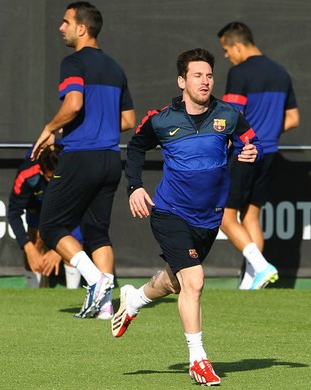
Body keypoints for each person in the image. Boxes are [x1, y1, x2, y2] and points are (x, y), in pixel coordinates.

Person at [112, 48, 262, 386]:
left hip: (208, 219)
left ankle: (134, 299)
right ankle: (198, 360)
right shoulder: (161, 119)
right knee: (194, 281)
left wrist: (251, 151)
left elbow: (251, 142)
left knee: (176, 280)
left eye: (209, 75)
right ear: (182, 80)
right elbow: (135, 148)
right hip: (169, 212)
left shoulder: (230, 115)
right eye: (197, 75)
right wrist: (134, 187)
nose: (205, 81)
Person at [31, 1, 136, 318]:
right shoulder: (115, 68)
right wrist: (100, 126)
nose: (61, 28)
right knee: (97, 233)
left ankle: (96, 281)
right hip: (109, 159)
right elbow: (129, 119)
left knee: (50, 227)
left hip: (81, 157)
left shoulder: (73, 62)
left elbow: (74, 104)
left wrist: (50, 128)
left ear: (82, 27)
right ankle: (105, 308)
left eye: (65, 22)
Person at [217, 21, 300, 290]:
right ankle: (250, 282)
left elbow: (232, 118)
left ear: (238, 45)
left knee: (225, 218)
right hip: (270, 153)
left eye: (227, 50)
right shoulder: (281, 72)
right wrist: (269, 131)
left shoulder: (239, 73)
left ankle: (262, 267)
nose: (227, 56)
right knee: (250, 217)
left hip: (244, 153)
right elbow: (293, 119)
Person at [7, 144, 81, 289]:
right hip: (38, 205)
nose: (54, 182)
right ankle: (33, 292)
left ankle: (73, 293)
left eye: (58, 177)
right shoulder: (26, 174)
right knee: (35, 240)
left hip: (68, 208)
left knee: (72, 245)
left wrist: (59, 250)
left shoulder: (76, 171)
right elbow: (14, 212)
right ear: (41, 171)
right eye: (50, 178)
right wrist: (27, 247)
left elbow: (81, 211)